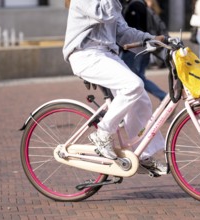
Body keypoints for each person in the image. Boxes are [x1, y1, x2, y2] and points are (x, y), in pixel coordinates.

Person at [63, 0, 167, 173]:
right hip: (85, 55)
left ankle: (142, 155)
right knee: (133, 85)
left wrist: (151, 40)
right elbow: (104, 12)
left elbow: (122, 31)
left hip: (107, 55)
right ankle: (103, 133)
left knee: (140, 97)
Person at [120, 0, 167, 101]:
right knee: (137, 78)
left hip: (134, 48)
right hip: (143, 46)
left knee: (134, 79)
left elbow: (132, 29)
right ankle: (161, 96)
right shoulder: (142, 5)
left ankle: (163, 96)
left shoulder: (135, 5)